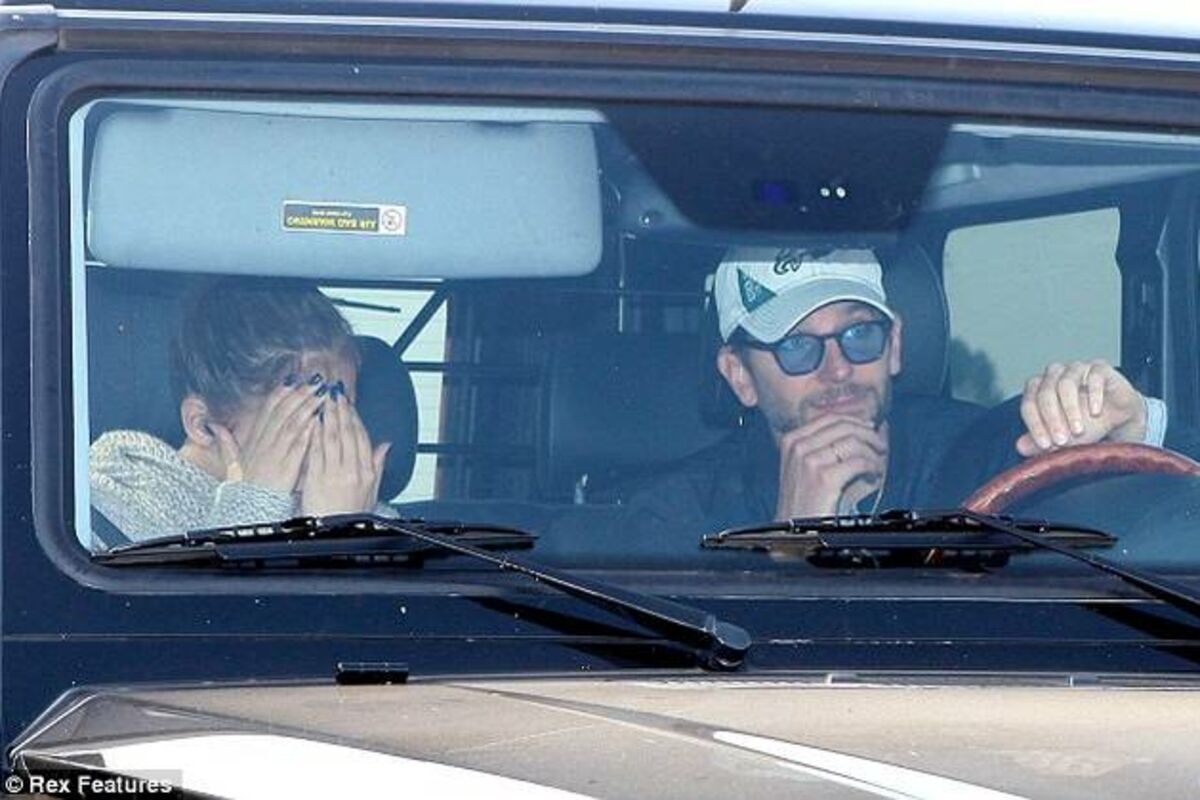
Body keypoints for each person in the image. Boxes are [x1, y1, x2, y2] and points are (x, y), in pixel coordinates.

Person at [623, 246, 1167, 538]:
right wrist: (788, 539)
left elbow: (1172, 514)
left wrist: (1137, 426)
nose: (838, 369)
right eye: (796, 346)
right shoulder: (677, 514)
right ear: (740, 374)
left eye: (860, 335)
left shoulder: (981, 449)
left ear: (896, 345)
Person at [89, 279, 392, 543]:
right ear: (202, 425)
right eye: (298, 421)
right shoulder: (99, 515)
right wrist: (256, 511)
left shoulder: (376, 522)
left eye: (343, 414)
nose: (330, 442)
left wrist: (350, 533)